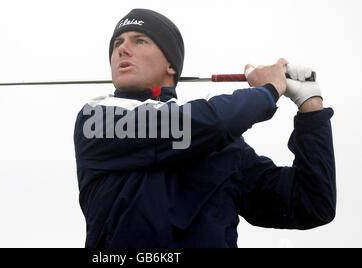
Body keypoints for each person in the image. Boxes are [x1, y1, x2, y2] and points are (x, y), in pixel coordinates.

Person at [73, 8, 336, 248]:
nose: (123, 49)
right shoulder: (96, 120)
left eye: (139, 40)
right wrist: (268, 91)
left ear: (171, 65)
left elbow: (312, 203)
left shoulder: (223, 146)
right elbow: (198, 123)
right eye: (118, 43)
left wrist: (310, 106)